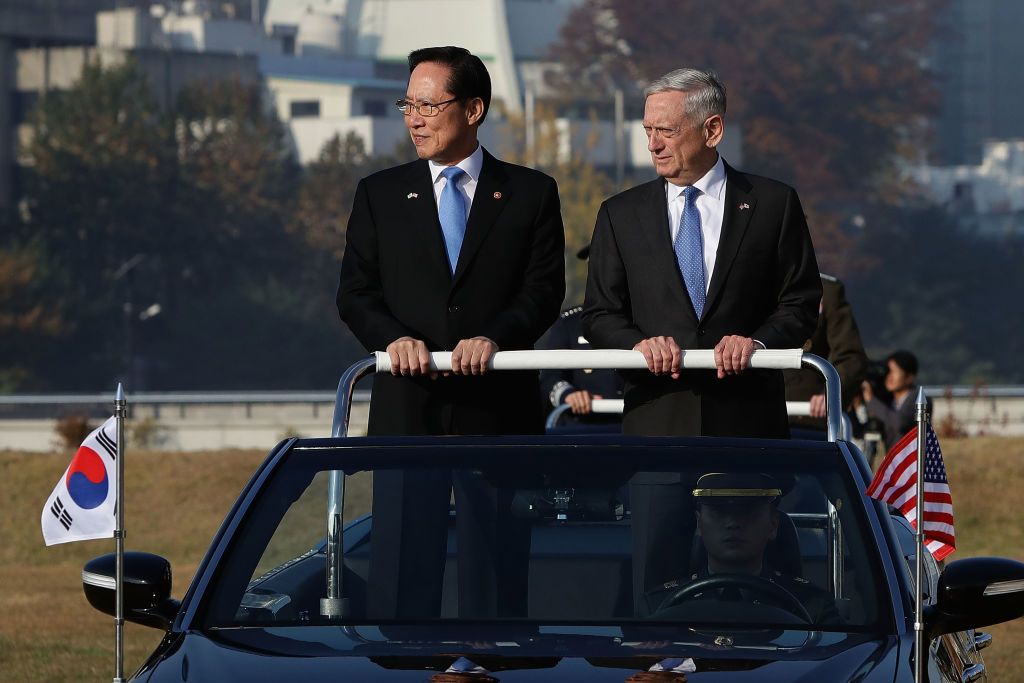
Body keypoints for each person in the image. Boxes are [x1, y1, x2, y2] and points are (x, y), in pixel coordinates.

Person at [336, 45, 565, 619]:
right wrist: (393, 340)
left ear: (473, 109)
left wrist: (495, 338)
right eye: (407, 104)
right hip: (408, 413)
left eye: (428, 105)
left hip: (498, 412)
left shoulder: (530, 193)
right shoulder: (380, 194)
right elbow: (355, 295)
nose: (414, 118)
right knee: (400, 577)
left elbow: (542, 293)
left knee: (497, 577)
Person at [581, 67, 821, 610]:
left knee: (762, 598)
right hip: (658, 431)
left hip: (746, 432)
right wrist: (639, 345)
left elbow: (800, 302)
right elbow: (599, 315)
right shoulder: (620, 214)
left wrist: (757, 344)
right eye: (647, 130)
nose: (653, 143)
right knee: (655, 594)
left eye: (666, 130)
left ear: (711, 130)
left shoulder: (772, 204)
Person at [642, 473, 838, 623]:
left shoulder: (813, 607)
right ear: (699, 524)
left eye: (747, 510)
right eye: (719, 511)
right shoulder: (657, 607)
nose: (733, 523)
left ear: (773, 524)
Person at [537, 245, 624, 429]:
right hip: (583, 431)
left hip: (634, 429)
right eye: (596, 264)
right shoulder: (569, 323)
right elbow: (550, 377)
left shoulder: (643, 321)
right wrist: (568, 395)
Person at [784, 273, 868, 427]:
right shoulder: (745, 284)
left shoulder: (826, 291)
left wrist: (830, 393)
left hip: (805, 417)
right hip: (750, 415)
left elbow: (851, 358)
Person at [862, 350, 926, 452]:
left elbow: (899, 422)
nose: (888, 376)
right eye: (887, 371)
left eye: (894, 372)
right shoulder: (888, 401)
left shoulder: (918, 399)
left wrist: (871, 400)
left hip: (912, 463)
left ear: (909, 377)